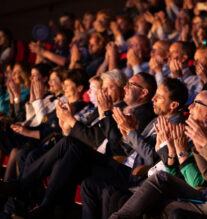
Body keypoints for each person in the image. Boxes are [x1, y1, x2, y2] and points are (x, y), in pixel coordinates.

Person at [0, 72, 156, 218]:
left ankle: (25, 190)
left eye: (131, 85)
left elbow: (118, 148)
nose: (125, 88)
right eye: (126, 84)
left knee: (69, 146)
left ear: (143, 93)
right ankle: (42, 206)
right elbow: (100, 136)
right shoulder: (121, 107)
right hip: (104, 156)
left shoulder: (144, 113)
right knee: (65, 157)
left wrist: (106, 114)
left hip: (118, 164)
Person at [82, 78, 188, 219]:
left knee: (108, 190)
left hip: (140, 177)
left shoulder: (175, 128)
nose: (154, 99)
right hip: (128, 167)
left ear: (174, 105)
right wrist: (127, 134)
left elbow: (151, 159)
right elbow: (132, 152)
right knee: (87, 182)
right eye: (155, 94)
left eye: (160, 97)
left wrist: (132, 132)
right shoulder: (158, 118)